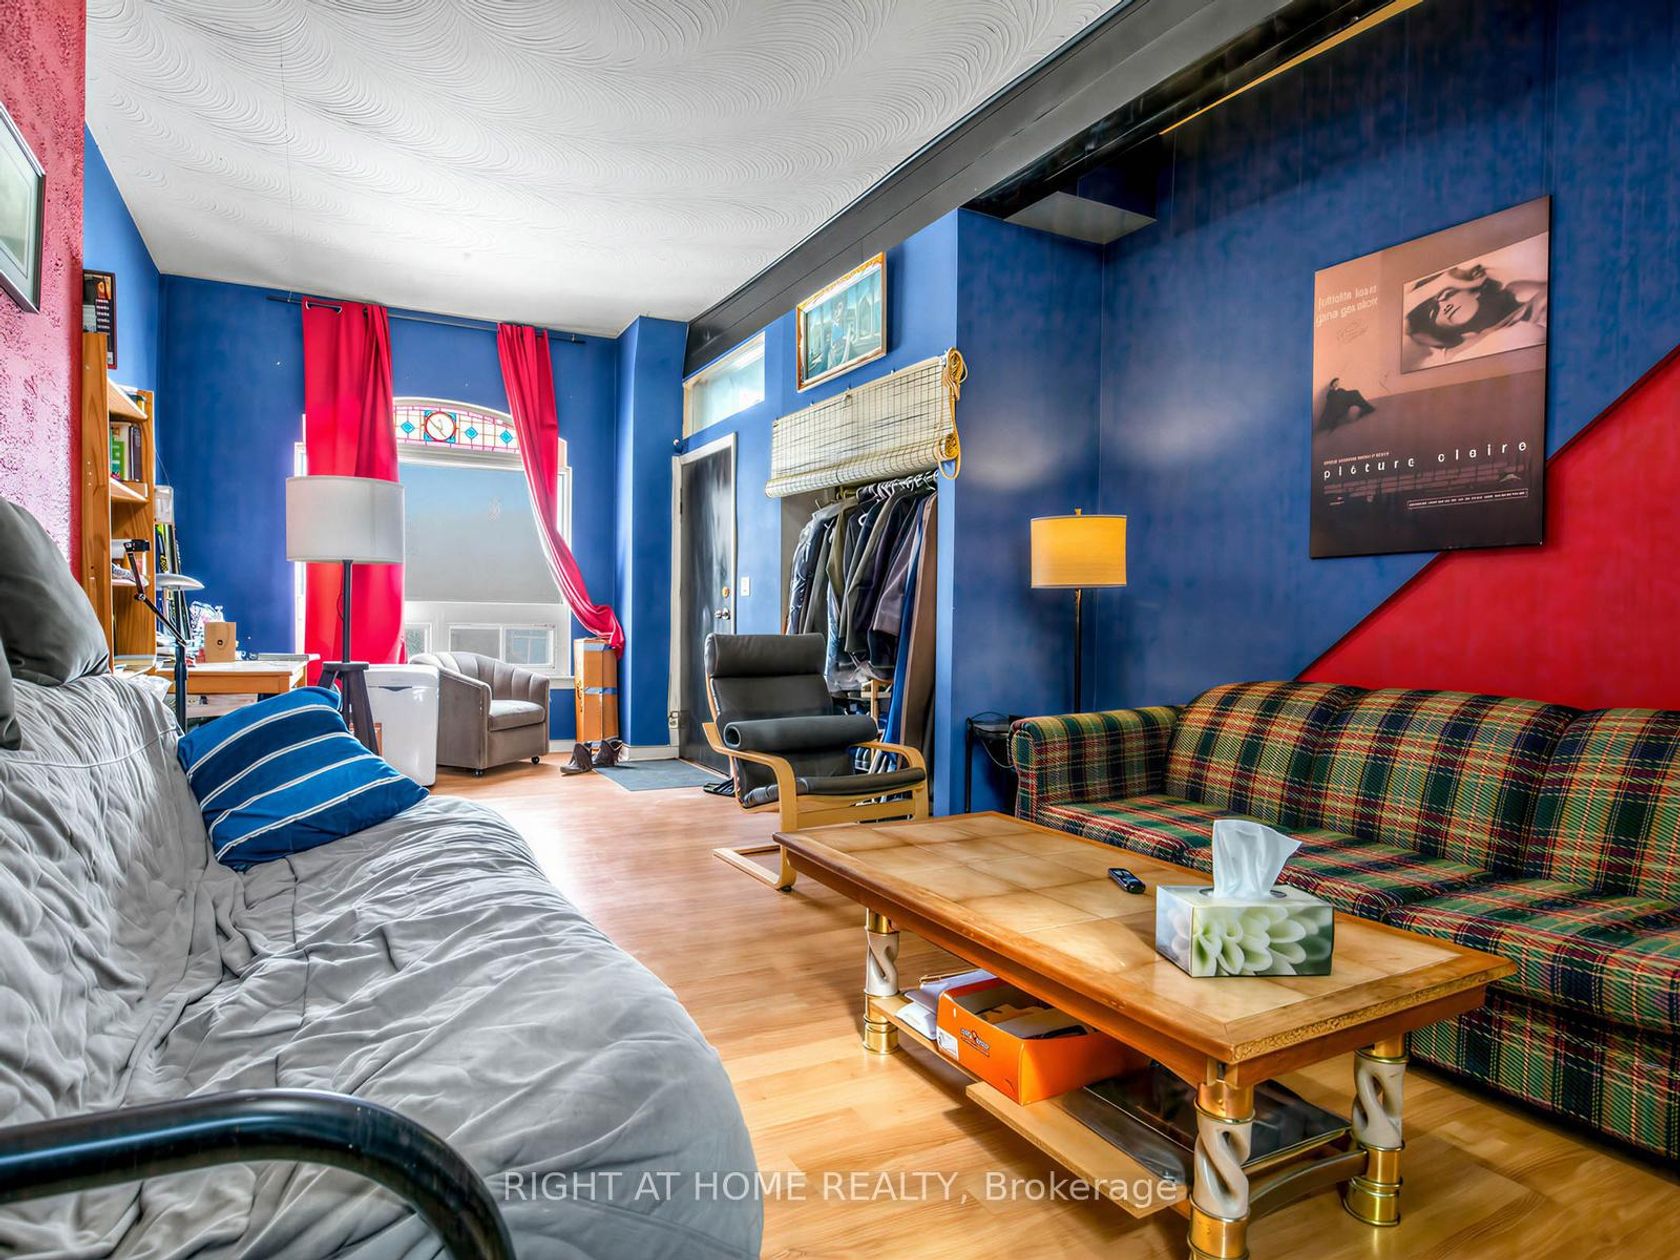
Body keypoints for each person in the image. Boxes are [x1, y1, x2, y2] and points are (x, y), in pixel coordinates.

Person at [1404, 259, 1547, 367]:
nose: (1443, 306)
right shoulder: (1457, 355)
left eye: (1446, 295)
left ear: (1474, 289)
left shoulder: (1516, 290)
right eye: (1434, 312)